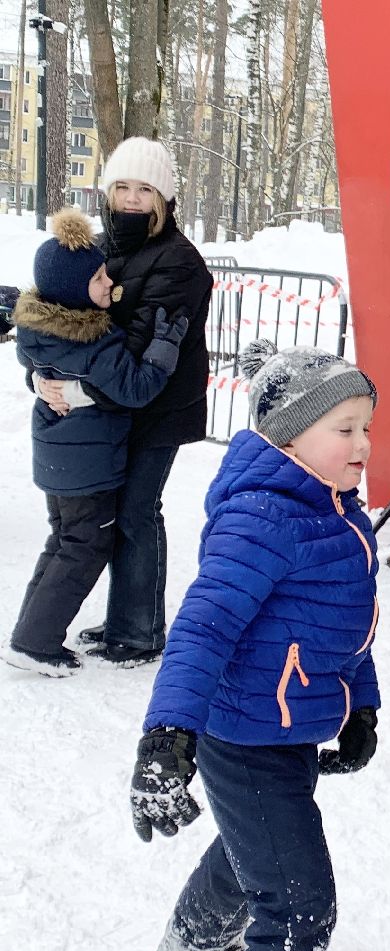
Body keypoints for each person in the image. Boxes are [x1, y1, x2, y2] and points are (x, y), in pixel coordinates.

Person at [128, 341, 381, 951]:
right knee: (300, 903)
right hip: (242, 736)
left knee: (256, 848)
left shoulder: (337, 514)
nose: (363, 444)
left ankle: (194, 937)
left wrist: (360, 707)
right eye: (344, 429)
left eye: (366, 426)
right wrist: (167, 735)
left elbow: (347, 627)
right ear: (289, 438)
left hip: (288, 730)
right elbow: (202, 629)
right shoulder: (262, 520)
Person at [38, 137, 213, 667]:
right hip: (112, 408)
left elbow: (141, 347)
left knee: (137, 511)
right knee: (114, 513)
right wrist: (44, 378)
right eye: (123, 187)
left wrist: (78, 390)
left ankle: (140, 631)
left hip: (158, 406)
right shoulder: (100, 250)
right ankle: (123, 618)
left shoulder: (178, 262)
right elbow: (66, 324)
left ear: (163, 198)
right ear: (108, 191)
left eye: (145, 189)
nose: (132, 198)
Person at [4, 207, 188, 676]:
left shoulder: (38, 334)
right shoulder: (95, 343)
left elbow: (41, 372)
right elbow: (137, 389)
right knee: (84, 547)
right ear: (74, 292)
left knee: (62, 542)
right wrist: (164, 348)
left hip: (57, 461)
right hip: (89, 468)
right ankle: (35, 642)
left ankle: (30, 633)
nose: (110, 283)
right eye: (99, 278)